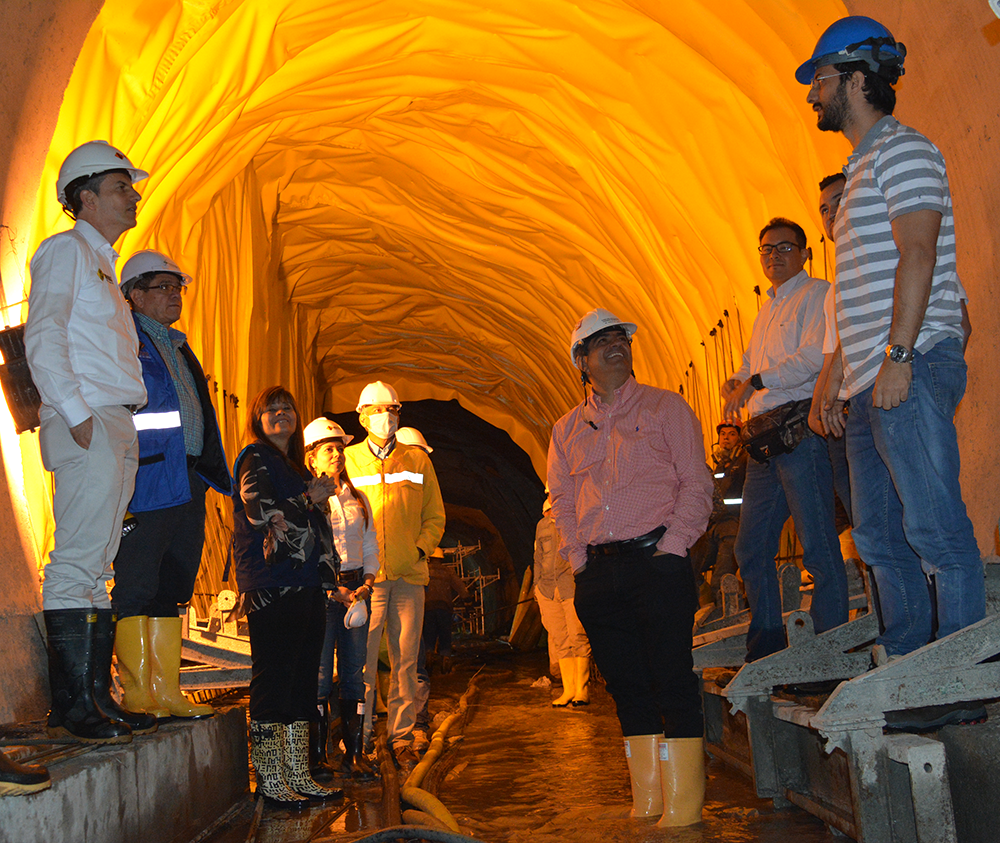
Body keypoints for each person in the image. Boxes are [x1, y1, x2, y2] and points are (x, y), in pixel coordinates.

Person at [800, 18, 986, 700]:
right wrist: (839, 375)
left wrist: (900, 355)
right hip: (870, 382)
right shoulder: (855, 178)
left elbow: (917, 252)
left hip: (909, 364)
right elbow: (862, 293)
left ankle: (961, 684)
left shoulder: (903, 152)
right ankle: (911, 672)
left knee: (933, 524)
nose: (813, 94)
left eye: (819, 79)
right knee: (878, 536)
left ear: (854, 78)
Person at [547, 308, 712, 827]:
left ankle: (682, 809)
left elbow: (696, 481)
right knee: (626, 685)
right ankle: (648, 800)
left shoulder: (667, 408)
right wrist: (578, 560)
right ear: (582, 361)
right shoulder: (566, 429)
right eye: (602, 342)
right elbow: (563, 499)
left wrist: (673, 547)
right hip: (599, 571)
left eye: (621, 338)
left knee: (672, 679)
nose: (616, 345)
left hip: (656, 563)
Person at [25, 140, 151, 745]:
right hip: (90, 419)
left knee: (98, 564)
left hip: (114, 419)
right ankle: (72, 706)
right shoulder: (65, 252)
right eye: (122, 187)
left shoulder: (100, 263)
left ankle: (96, 699)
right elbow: (44, 334)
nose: (133, 196)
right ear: (86, 196)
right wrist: (75, 414)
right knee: (76, 561)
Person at [722, 218, 849, 664]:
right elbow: (749, 362)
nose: (773, 256)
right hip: (763, 444)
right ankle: (768, 648)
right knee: (751, 547)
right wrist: (737, 380)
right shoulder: (766, 311)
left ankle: (832, 646)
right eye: (766, 250)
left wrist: (755, 378)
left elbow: (814, 358)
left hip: (798, 435)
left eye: (783, 248)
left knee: (817, 540)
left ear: (804, 253)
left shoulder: (819, 295)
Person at [111, 251, 231, 721]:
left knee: (173, 583)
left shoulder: (179, 347)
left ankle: (167, 690)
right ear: (135, 295)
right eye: (163, 287)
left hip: (188, 481)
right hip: (148, 480)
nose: (173, 295)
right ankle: (139, 693)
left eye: (177, 287)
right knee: (137, 584)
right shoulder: (125, 342)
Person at [232, 387, 342, 804]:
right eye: (271, 409)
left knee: (300, 681)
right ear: (258, 419)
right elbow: (258, 510)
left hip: (307, 583)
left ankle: (298, 775)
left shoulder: (292, 465)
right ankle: (271, 781)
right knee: (273, 677)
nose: (281, 414)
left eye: (287, 408)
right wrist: (307, 497)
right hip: (272, 581)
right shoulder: (254, 457)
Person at [345, 382, 445, 772]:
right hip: (366, 581)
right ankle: (363, 736)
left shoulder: (417, 461)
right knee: (363, 662)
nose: (386, 417)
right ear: (362, 415)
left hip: (407, 577)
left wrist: (418, 550)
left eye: (393, 410)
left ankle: (401, 736)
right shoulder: (349, 460)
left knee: (405, 662)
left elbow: (434, 515)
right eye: (378, 410)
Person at [303, 417, 378, 782]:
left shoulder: (357, 499)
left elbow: (369, 546)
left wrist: (366, 583)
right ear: (311, 459)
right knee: (319, 677)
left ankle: (355, 755)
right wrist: (335, 590)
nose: (336, 454)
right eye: (328, 449)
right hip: (324, 594)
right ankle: (318, 759)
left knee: (353, 675)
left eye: (339, 449)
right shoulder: (309, 502)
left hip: (357, 593)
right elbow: (308, 549)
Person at [533, 491, 591, 707]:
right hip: (548, 589)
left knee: (577, 636)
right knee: (560, 640)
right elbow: (538, 556)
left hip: (571, 586)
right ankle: (568, 690)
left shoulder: (575, 520)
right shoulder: (541, 526)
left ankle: (581, 691)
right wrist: (536, 585)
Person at [690, 420, 747, 616]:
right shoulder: (719, 465)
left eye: (732, 434)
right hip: (713, 528)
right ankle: (707, 611)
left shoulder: (744, 461)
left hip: (732, 527)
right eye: (723, 434)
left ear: (739, 438)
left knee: (721, 579)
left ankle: (728, 617)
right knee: (690, 570)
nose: (726, 438)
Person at [423, 547, 470, 676]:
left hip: (428, 608)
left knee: (429, 634)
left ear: (430, 558)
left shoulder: (424, 571)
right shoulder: (448, 571)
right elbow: (460, 586)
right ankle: (446, 658)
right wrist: (467, 600)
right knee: (445, 634)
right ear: (441, 559)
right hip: (445, 608)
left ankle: (428, 655)